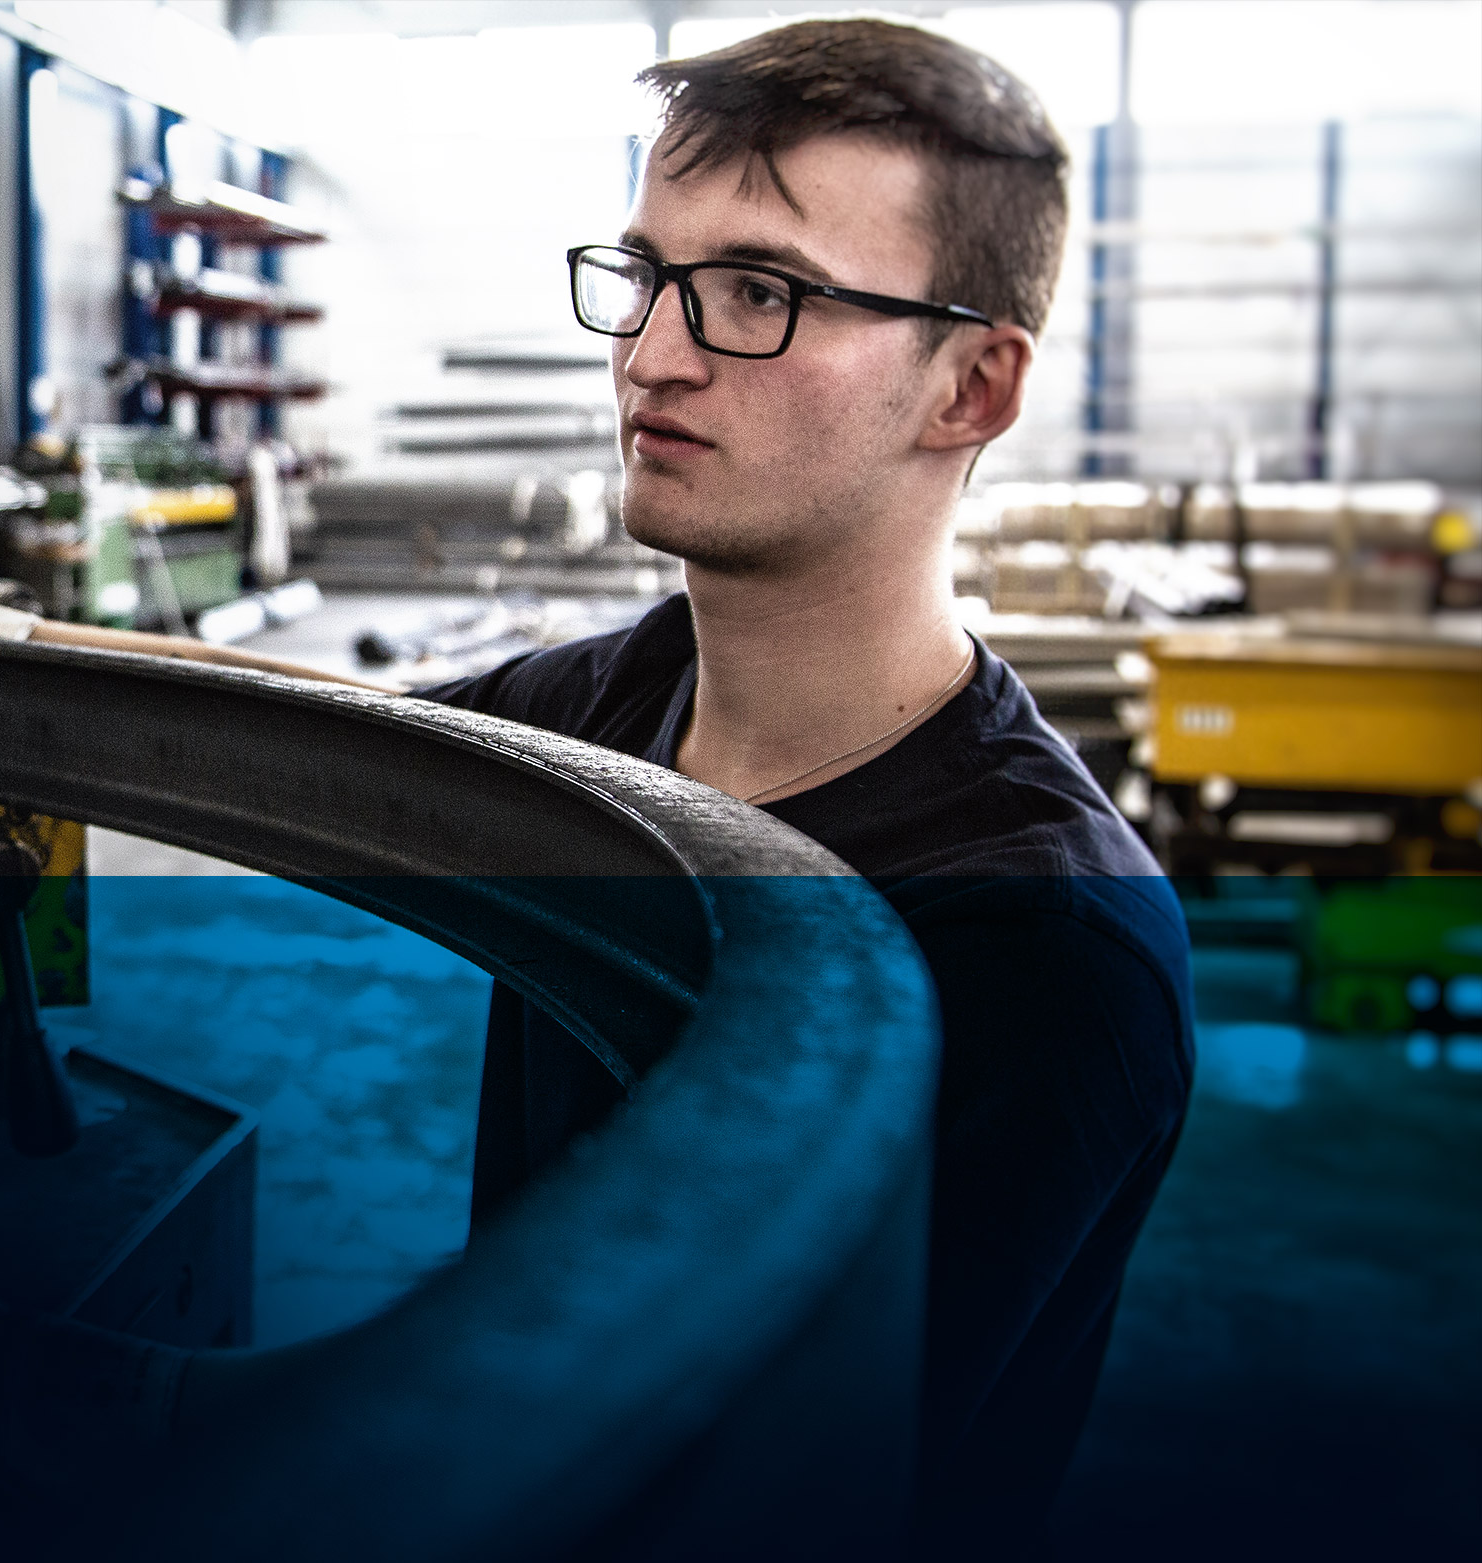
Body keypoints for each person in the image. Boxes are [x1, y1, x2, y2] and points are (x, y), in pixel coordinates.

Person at [418, 19, 1194, 1555]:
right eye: (646, 276)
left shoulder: (1039, 946)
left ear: (970, 385)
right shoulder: (612, 702)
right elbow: (306, 747)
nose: (651, 355)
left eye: (759, 293)